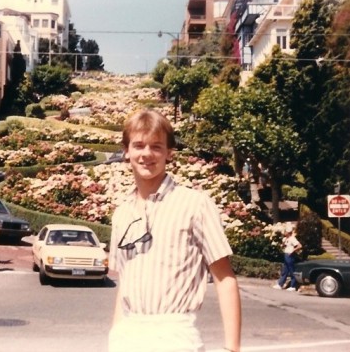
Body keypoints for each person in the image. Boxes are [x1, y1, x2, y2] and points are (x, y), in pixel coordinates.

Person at [108, 109, 241, 352]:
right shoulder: (122, 213)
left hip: (175, 336)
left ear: (169, 153)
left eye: (156, 147)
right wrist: (114, 338)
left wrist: (232, 349)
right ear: (126, 151)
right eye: (138, 145)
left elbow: (225, 279)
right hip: (127, 335)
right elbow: (124, 285)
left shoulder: (195, 205)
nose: (147, 153)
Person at [273, 223, 302, 291]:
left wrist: (293, 251)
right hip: (286, 255)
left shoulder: (292, 238)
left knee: (292, 270)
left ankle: (293, 286)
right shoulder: (286, 239)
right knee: (285, 270)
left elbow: (299, 246)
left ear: (288, 232)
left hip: (290, 255)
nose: (284, 233)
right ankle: (280, 284)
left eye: (285, 232)